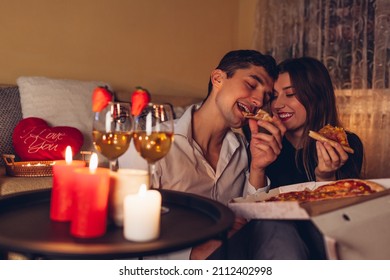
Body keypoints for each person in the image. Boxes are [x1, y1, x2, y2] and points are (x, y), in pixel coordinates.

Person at [119, 50, 310, 259]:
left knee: (278, 226)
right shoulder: (148, 145)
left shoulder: (241, 149)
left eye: (266, 96)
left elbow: (250, 220)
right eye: (251, 85)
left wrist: (258, 168)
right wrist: (192, 253)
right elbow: (125, 234)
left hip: (235, 256)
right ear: (218, 78)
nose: (258, 100)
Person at [243, 57, 364, 259]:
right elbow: (253, 214)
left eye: (290, 94)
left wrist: (325, 179)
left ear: (315, 96)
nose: (278, 105)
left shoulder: (346, 144)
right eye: (273, 96)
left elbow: (344, 224)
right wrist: (258, 168)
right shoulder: (262, 144)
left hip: (324, 239)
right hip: (275, 243)